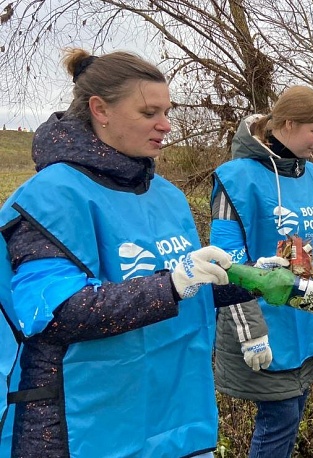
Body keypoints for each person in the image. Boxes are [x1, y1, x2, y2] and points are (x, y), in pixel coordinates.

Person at [0, 48, 257, 457]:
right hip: (85, 426)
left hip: (174, 418)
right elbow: (55, 314)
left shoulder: (167, 196)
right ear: (100, 109)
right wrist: (172, 284)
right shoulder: (50, 197)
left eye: (167, 111)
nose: (166, 125)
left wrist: (254, 279)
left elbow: (190, 288)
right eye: (149, 112)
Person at [210, 85, 313, 458]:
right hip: (266, 324)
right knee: (279, 421)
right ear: (289, 123)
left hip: (310, 319)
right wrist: (250, 332)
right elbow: (225, 263)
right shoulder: (236, 180)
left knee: (292, 414)